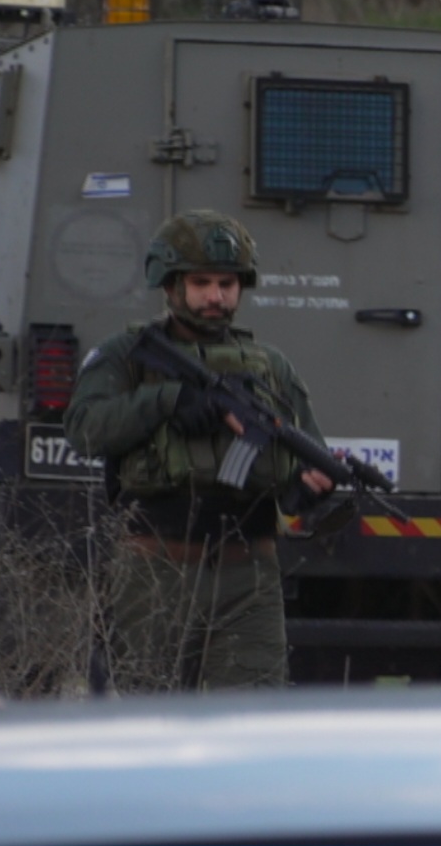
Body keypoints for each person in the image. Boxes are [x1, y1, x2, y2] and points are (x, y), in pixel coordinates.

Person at [66, 210, 333, 692]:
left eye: (227, 284)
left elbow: (306, 453)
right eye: (201, 283)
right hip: (157, 570)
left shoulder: (270, 367)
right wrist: (168, 400)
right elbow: (85, 430)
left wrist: (306, 488)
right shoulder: (127, 355)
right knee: (148, 715)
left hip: (248, 577)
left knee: (252, 719)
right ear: (171, 285)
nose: (216, 297)